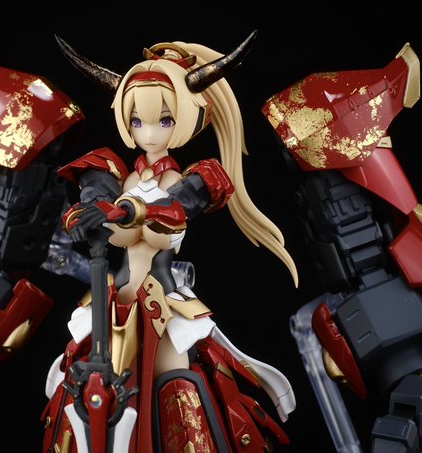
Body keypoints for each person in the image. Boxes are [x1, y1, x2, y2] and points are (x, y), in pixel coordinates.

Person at [41, 32, 298, 453]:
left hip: (163, 305)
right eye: (137, 121)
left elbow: (173, 213)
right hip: (113, 300)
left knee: (176, 389)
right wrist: (83, 215)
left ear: (187, 116)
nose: (149, 132)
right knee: (83, 390)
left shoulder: (191, 177)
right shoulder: (111, 171)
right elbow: (92, 202)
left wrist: (127, 211)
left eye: (163, 120)